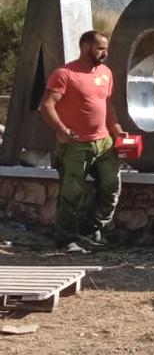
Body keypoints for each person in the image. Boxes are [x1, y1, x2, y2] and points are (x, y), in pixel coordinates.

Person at [39, 30, 126, 251]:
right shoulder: (64, 73)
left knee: (111, 187)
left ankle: (90, 229)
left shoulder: (106, 72)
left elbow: (107, 105)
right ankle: (66, 239)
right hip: (76, 144)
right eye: (100, 48)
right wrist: (61, 129)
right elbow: (47, 105)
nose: (104, 53)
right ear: (86, 47)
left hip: (104, 142)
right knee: (72, 193)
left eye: (106, 49)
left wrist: (117, 131)